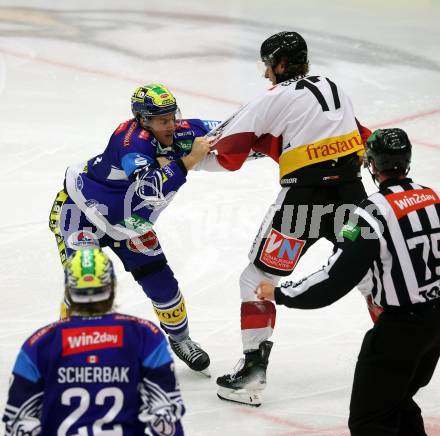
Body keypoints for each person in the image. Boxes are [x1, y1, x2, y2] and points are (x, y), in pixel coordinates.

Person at [202, 31, 371, 405]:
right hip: (351, 201)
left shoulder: (275, 96)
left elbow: (227, 150)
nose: (265, 74)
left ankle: (252, 373)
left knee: (257, 277)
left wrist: (185, 162)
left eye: (267, 66)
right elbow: (364, 138)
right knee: (370, 272)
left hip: (302, 206)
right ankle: (400, 345)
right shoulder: (333, 86)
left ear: (279, 64)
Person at [256, 128, 440, 435]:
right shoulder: (433, 198)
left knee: (369, 421)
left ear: (372, 164)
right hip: (435, 328)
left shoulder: (369, 214)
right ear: (406, 161)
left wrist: (282, 293)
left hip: (399, 331)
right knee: (398, 401)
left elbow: (335, 277)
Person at [49, 83, 215, 374]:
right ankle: (70, 350)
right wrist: (190, 159)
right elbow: (149, 187)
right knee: (85, 280)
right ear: (143, 120)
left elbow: (235, 130)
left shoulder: (182, 129)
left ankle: (181, 339)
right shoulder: (130, 142)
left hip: (129, 225)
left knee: (162, 284)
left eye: (173, 116)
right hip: (82, 213)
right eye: (163, 121)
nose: (171, 125)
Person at [3, 248, 185, 435]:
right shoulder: (144, 335)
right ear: (112, 285)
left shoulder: (40, 343)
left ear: (68, 288)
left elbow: (19, 422)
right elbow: (165, 415)